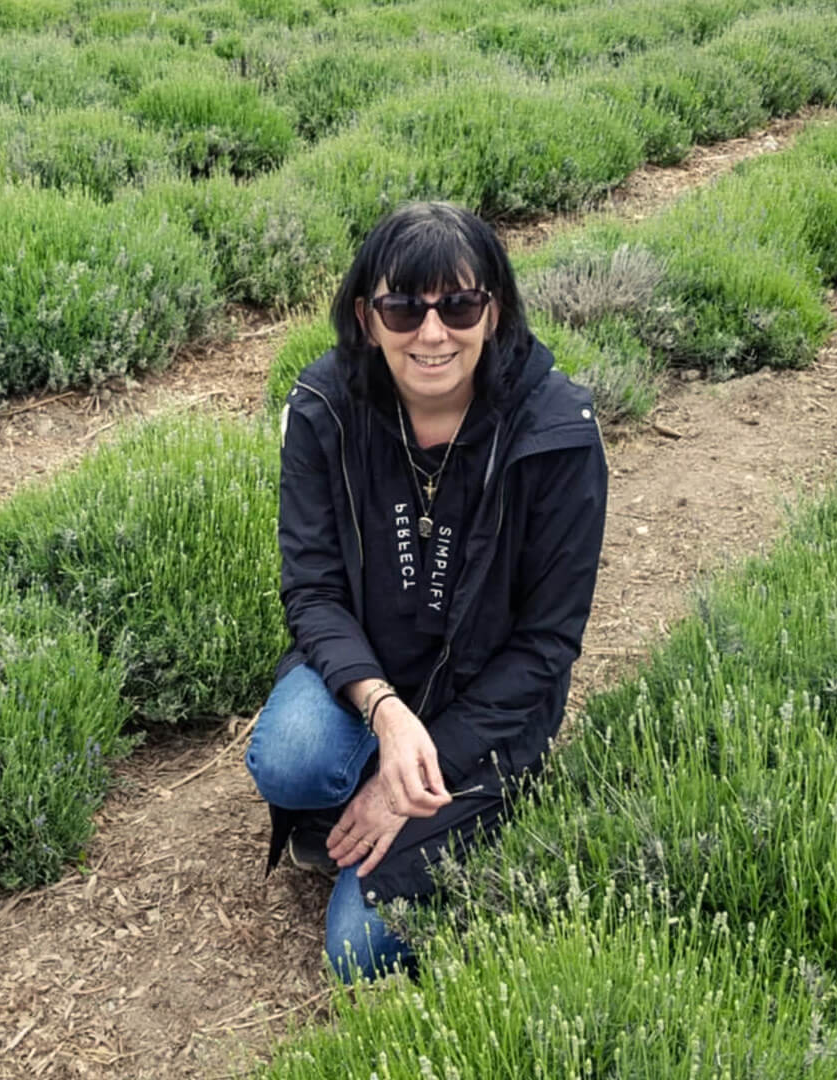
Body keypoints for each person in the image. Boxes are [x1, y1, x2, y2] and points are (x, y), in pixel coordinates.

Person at [245, 201, 607, 982]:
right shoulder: (326, 408)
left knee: (357, 953)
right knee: (290, 755)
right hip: (371, 679)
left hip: (486, 710)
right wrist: (384, 710)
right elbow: (312, 591)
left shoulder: (557, 433)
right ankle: (348, 802)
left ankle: (436, 807)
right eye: (404, 308)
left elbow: (546, 646)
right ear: (366, 318)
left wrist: (408, 774)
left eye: (460, 305)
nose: (433, 333)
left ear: (494, 312)